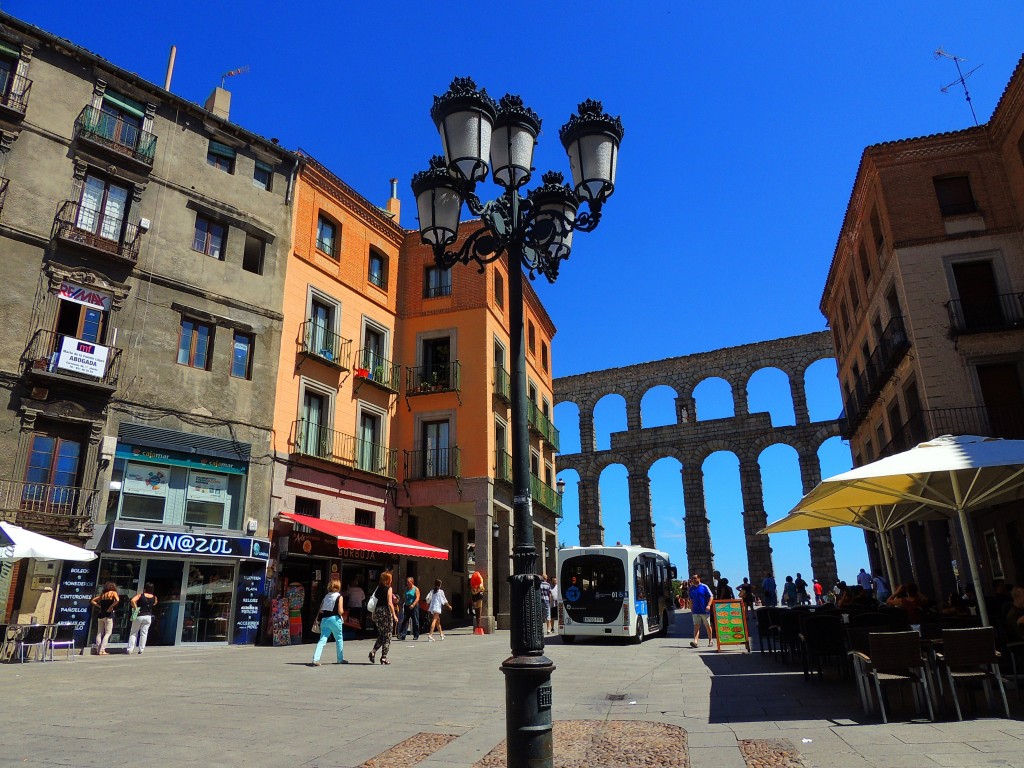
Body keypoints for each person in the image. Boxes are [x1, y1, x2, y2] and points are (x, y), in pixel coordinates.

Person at [310, 577, 345, 666]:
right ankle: (340, 659)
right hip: (335, 619)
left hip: (325, 619)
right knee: (339, 639)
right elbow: (340, 611)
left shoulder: (326, 596)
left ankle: (315, 659)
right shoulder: (339, 596)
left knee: (322, 639)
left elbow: (321, 610)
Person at [368, 572, 398, 665]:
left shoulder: (377, 588)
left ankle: (373, 651)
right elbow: (389, 602)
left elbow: (375, 601)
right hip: (385, 612)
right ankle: (384, 657)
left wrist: (373, 614)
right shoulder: (389, 588)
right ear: (388, 579)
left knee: (382, 634)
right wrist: (394, 615)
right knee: (388, 635)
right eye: (391, 578)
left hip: (377, 612)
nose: (392, 580)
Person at [127, 582, 157, 655]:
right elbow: (155, 603)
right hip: (148, 616)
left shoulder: (140, 595)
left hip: (139, 615)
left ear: (145, 588)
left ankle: (130, 649)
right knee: (144, 633)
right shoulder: (154, 597)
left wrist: (136, 608)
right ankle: (141, 649)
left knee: (133, 632)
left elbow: (132, 600)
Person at [90, 581, 120, 655]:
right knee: (108, 633)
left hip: (101, 614)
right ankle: (102, 650)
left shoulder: (102, 595)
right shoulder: (113, 593)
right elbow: (117, 600)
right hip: (108, 614)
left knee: (99, 632)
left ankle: (98, 649)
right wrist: (111, 607)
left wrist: (99, 606)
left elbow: (93, 601)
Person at [688, 574, 714, 648]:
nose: (693, 580)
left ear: (699, 578)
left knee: (708, 626)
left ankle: (710, 641)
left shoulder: (704, 587)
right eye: (692, 578)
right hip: (695, 610)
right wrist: (691, 608)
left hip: (704, 610)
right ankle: (695, 642)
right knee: (696, 626)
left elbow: (711, 596)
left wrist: (709, 605)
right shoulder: (691, 588)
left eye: (695, 578)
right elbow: (691, 599)